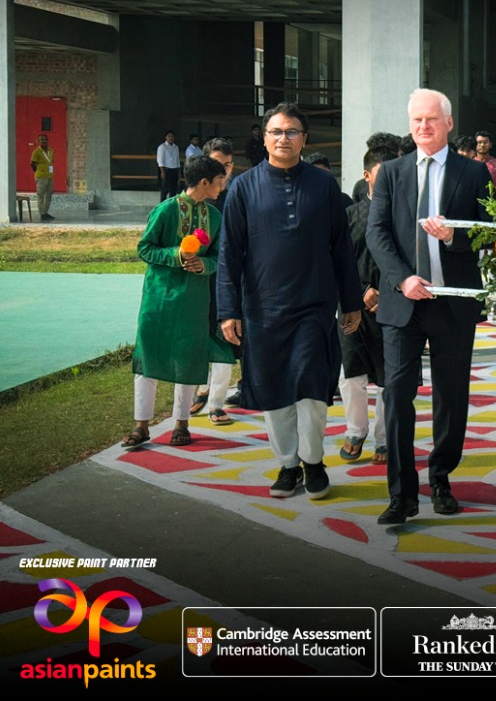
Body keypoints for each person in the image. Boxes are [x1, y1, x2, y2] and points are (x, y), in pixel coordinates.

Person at [217, 103, 363, 500]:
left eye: (292, 132)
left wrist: (350, 302)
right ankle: (287, 466)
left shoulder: (324, 186)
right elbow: (230, 253)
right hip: (263, 309)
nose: (284, 138)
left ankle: (313, 462)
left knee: (313, 390)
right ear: (264, 138)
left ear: (305, 139)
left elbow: (341, 250)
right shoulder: (243, 189)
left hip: (314, 306)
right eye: (276, 131)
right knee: (275, 392)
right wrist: (228, 310)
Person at [366, 88, 492, 524]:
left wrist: (454, 237)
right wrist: (402, 278)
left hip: (452, 302)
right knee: (397, 394)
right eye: (417, 120)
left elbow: (489, 232)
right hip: (404, 303)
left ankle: (440, 476)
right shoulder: (392, 173)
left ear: (449, 124)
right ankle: (401, 494)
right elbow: (376, 233)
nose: (423, 127)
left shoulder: (473, 174)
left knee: (451, 396)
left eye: (432, 120)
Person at [122, 156, 234, 450]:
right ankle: (141, 424)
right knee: (149, 355)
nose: (223, 187)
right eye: (220, 181)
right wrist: (176, 256)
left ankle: (181, 423)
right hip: (158, 298)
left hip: (194, 301)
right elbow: (145, 248)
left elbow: (221, 257)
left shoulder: (215, 217)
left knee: (188, 358)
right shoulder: (165, 210)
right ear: (205, 182)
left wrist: (204, 265)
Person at [338, 145, 395, 465]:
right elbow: (337, 262)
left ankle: (385, 439)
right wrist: (360, 292)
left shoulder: (406, 216)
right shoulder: (350, 216)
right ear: (366, 175)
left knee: (391, 379)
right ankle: (355, 430)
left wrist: (387, 293)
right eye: (382, 174)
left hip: (394, 307)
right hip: (352, 308)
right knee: (352, 375)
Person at [191, 137, 239, 425]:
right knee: (198, 336)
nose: (223, 171)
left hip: (228, 277)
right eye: (218, 165)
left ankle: (216, 403)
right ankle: (200, 388)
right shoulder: (191, 199)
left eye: (228, 165)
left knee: (223, 338)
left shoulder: (238, 194)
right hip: (197, 277)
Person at [30, 133, 56, 221]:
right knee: (40, 195)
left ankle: (45, 212)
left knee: (49, 194)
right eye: (41, 139)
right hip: (41, 176)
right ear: (38, 141)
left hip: (50, 175)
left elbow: (51, 161)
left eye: (45, 139)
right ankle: (42, 213)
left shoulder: (51, 151)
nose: (44, 141)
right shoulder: (36, 152)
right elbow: (32, 164)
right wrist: (39, 171)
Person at [157, 131, 181, 201]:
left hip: (174, 170)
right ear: (166, 137)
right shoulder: (162, 147)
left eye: (172, 136)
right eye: (169, 136)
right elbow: (160, 160)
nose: (171, 138)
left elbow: (177, 160)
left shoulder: (176, 147)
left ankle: (171, 205)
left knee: (173, 189)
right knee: (164, 189)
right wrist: (162, 172)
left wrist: (179, 172)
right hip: (166, 170)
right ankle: (162, 205)